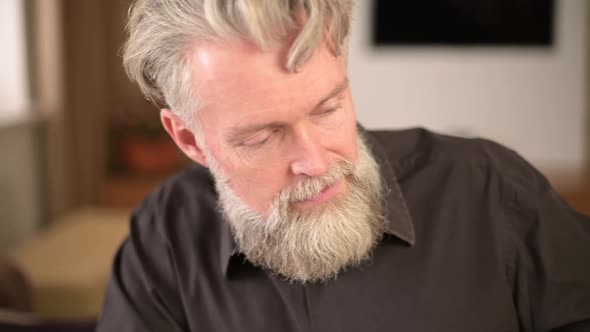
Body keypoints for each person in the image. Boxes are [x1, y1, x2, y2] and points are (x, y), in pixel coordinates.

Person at [97, 1, 590, 331]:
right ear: (189, 139)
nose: (315, 162)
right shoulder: (164, 238)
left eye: (328, 108)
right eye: (263, 136)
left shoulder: (489, 192)